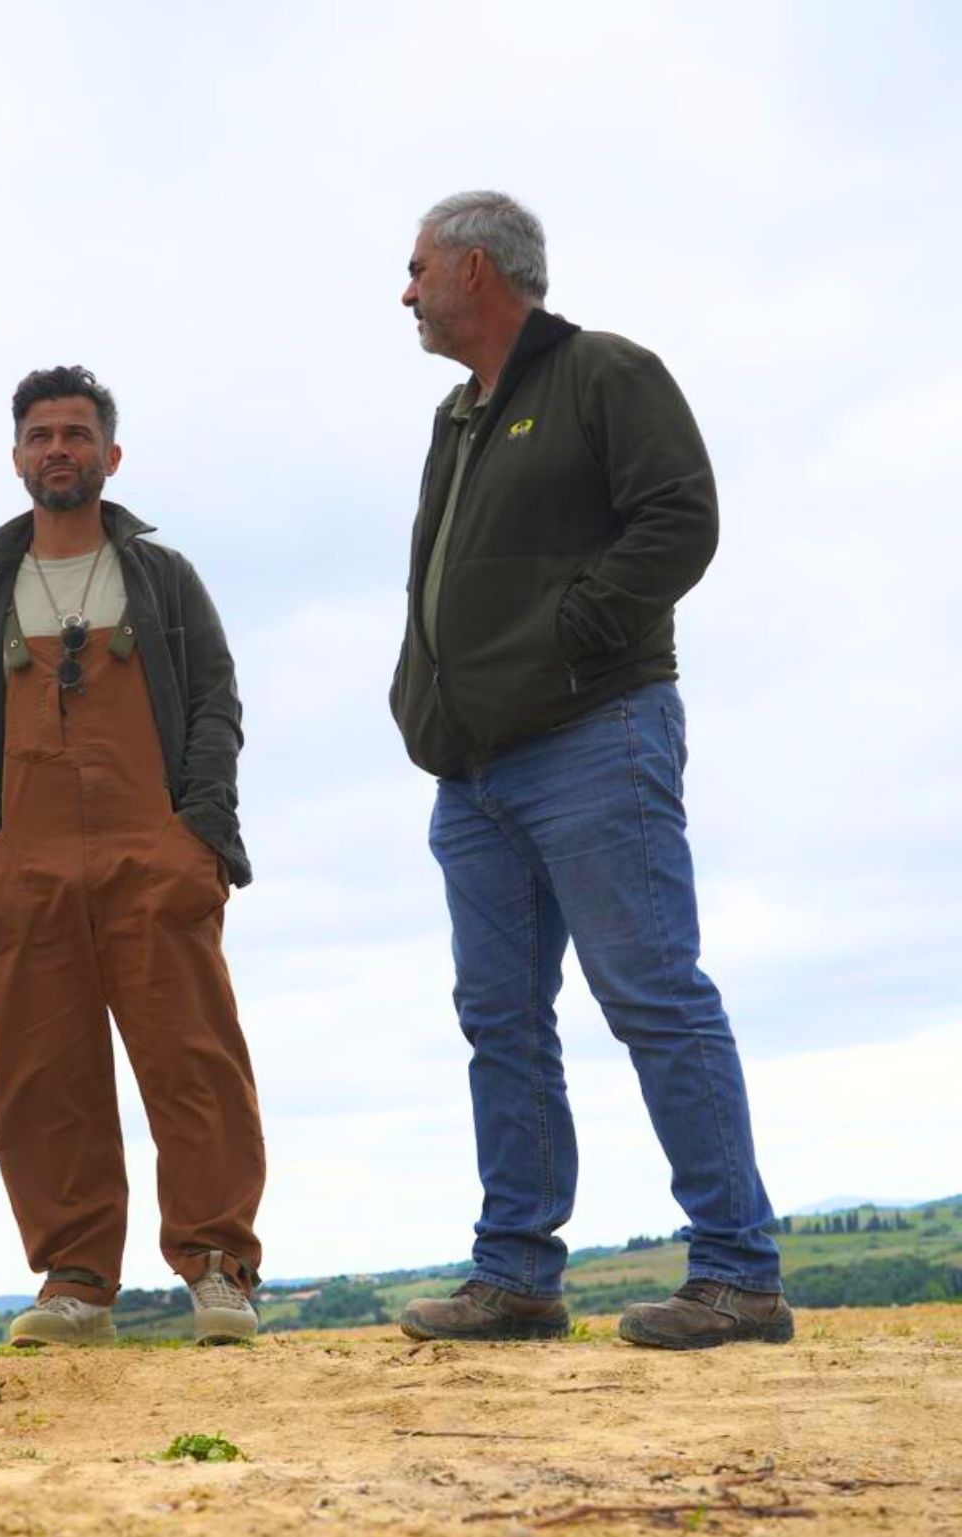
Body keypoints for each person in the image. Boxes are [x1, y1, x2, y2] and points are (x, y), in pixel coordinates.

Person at [388, 191, 793, 1349]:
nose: (404, 292)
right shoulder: (453, 418)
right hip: (469, 773)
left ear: (475, 267)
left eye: (417, 268)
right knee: (498, 1019)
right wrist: (421, 693)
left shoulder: (604, 372)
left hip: (591, 737)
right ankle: (515, 1276)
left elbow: (678, 519)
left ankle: (737, 1273)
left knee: (653, 997)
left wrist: (572, 631)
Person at [0, 365, 266, 1348]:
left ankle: (216, 1270)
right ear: (15, 458)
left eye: (75, 434)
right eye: (39, 435)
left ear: (108, 455)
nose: (57, 450)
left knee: (192, 1064)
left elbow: (214, 707)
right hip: (22, 869)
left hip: (150, 854)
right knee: (38, 1079)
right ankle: (75, 1281)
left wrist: (197, 837)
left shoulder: (161, 578)